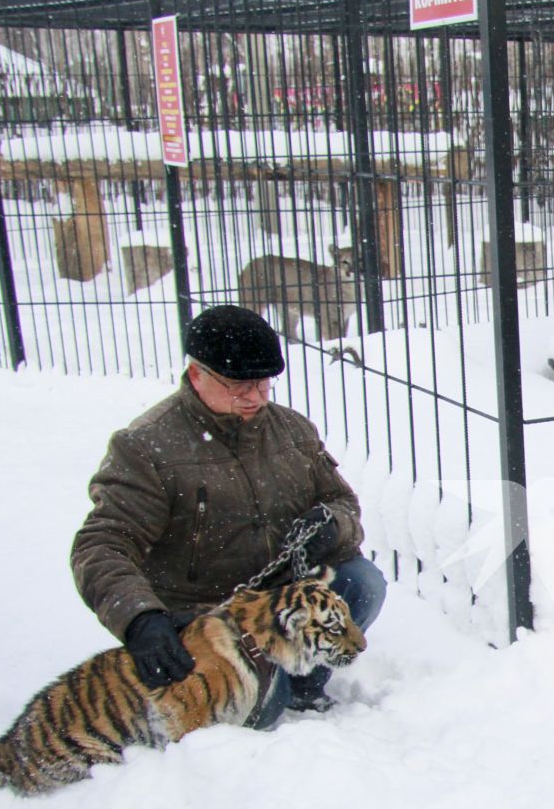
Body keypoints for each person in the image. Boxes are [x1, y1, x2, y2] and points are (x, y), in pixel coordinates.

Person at [72, 304, 385, 725]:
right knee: (259, 711)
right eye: (239, 385)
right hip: (206, 614)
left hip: (280, 597)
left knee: (363, 582)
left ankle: (301, 683)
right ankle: (268, 687)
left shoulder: (291, 431)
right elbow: (103, 544)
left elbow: (344, 504)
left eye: (263, 384)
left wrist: (332, 525)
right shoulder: (147, 446)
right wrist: (140, 618)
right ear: (197, 374)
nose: (255, 397)